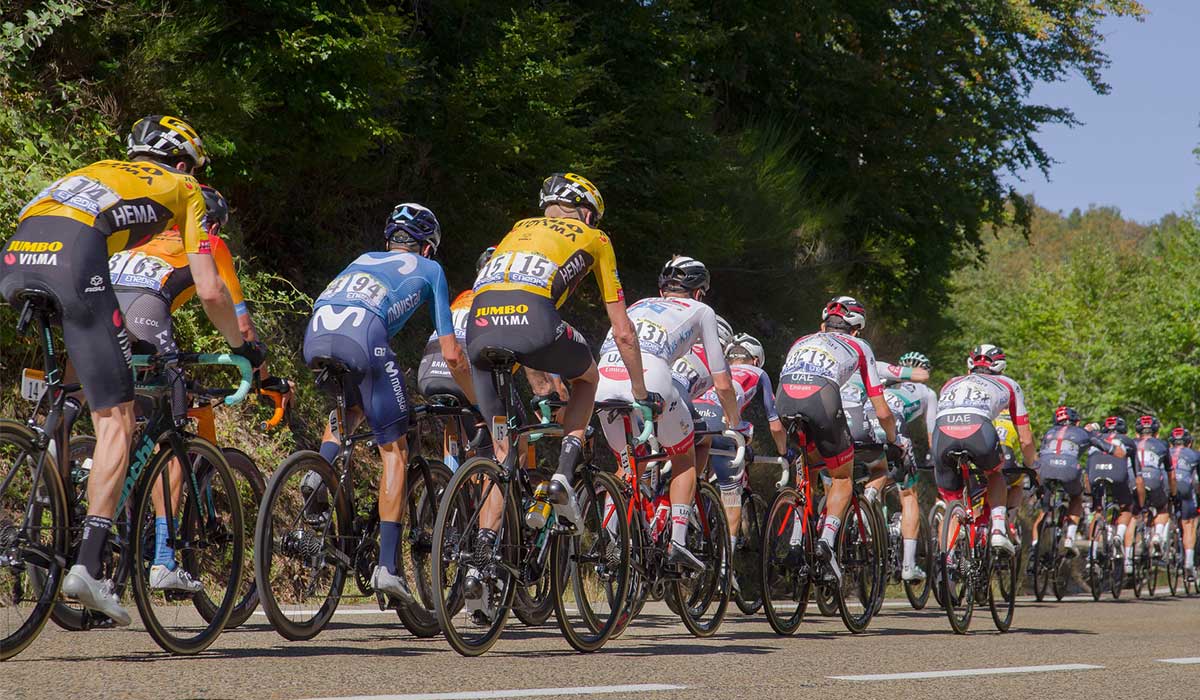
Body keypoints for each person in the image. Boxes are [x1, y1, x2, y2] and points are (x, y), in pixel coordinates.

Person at [0, 116, 259, 625]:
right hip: (75, 258)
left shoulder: (101, 168)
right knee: (118, 418)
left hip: (17, 255)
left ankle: (53, 479)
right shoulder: (185, 188)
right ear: (184, 164)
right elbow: (211, 291)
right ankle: (88, 566)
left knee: (69, 395)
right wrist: (242, 347)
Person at [465, 173, 650, 543]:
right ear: (586, 213)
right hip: (534, 322)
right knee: (588, 378)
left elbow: (507, 309)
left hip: (478, 327)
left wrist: (542, 385)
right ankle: (563, 475)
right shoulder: (595, 238)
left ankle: (482, 554)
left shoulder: (517, 229)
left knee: (502, 455)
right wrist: (641, 393)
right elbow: (623, 332)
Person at [302, 202, 471, 603]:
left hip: (316, 333)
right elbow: (451, 352)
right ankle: (388, 568)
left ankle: (319, 470)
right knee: (394, 451)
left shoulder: (362, 259)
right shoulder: (430, 269)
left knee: (352, 408)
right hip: (364, 337)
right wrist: (475, 398)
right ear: (427, 247)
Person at [109, 184, 275, 592]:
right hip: (145, 312)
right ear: (212, 223)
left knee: (116, 421)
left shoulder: (141, 237)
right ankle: (164, 559)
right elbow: (240, 323)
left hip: (98, 309)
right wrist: (263, 373)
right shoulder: (209, 242)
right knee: (173, 435)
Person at [594, 256, 740, 569]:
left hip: (604, 377)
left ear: (662, 289)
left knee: (627, 463)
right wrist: (734, 420)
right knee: (684, 458)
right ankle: (678, 541)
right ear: (699, 292)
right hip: (650, 378)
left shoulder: (638, 304)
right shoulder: (701, 310)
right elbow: (722, 382)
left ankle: (610, 535)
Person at [775, 296, 901, 580]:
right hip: (821, 399)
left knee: (807, 472)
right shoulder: (859, 346)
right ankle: (826, 542)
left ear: (823, 326)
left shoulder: (802, 340)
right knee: (842, 477)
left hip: (784, 400)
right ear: (856, 330)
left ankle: (795, 542)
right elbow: (882, 410)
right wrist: (893, 440)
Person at [697, 332, 788, 584]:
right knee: (731, 495)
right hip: (723, 430)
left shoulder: (714, 367)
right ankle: (725, 569)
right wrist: (784, 452)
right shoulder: (758, 373)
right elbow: (775, 424)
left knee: (692, 477)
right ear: (756, 360)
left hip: (692, 420)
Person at [932, 344, 1036, 555]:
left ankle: (947, 560)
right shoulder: (1009, 384)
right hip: (978, 429)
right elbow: (1025, 439)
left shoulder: (950, 383)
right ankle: (998, 530)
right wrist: (1031, 466)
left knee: (952, 500)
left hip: (942, 433)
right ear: (1001, 367)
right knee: (995, 473)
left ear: (970, 366)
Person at [1029, 406, 1125, 557]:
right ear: (1077, 422)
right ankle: (1069, 538)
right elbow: (1117, 452)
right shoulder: (1083, 433)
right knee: (1076, 497)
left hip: (1044, 468)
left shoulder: (1049, 432)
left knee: (1044, 509)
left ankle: (1034, 548)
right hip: (1069, 470)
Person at [880, 351, 937, 581]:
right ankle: (908, 565)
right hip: (895, 431)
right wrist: (934, 459)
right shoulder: (927, 392)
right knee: (908, 494)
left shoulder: (885, 383)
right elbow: (931, 432)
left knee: (876, 475)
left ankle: (872, 520)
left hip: (865, 425)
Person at [1086, 416, 1139, 573]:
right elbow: (1137, 475)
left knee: (1098, 511)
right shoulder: (1128, 441)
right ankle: (1118, 536)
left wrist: (1090, 496)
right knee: (1127, 506)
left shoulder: (1095, 439)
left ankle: (1091, 556)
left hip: (1095, 476)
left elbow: (1086, 473)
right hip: (1117, 476)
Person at [1133, 415, 1176, 558]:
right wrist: (1173, 494)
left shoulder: (1131, 443)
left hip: (1134, 480)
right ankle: (1157, 534)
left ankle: (1127, 548)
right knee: (1162, 508)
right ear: (1156, 434)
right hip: (1154, 480)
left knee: (1130, 511)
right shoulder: (1163, 445)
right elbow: (1171, 474)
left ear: (1137, 434)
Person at [1168, 428, 1199, 581]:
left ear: (1171, 443)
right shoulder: (1194, 454)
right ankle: (1189, 562)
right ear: (1189, 443)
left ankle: (1160, 535)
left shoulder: (1165, 451)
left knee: (1161, 513)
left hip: (1167, 486)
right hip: (1186, 488)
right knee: (1189, 524)